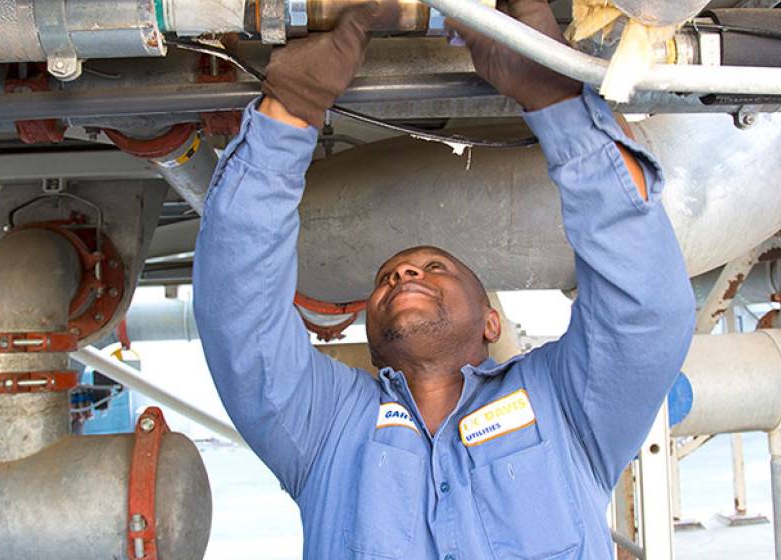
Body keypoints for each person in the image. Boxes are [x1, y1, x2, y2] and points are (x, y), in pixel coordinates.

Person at [192, 0, 695, 557]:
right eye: (388, 278)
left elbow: (644, 312)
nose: (405, 272)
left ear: (490, 321)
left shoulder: (567, 405)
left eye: (436, 269)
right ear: (368, 329)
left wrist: (552, 92)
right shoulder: (322, 423)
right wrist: (292, 108)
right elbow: (240, 315)